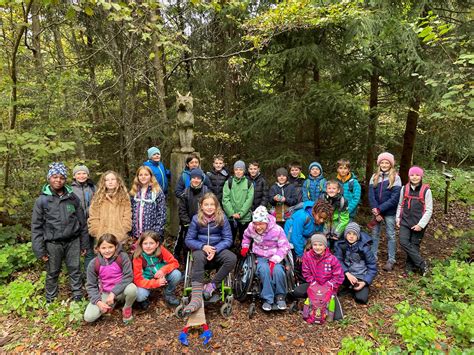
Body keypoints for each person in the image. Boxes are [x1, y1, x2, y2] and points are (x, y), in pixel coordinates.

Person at [32, 162, 89, 302]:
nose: (58, 180)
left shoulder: (72, 198)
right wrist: (39, 250)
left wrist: (84, 244)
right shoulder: (42, 200)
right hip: (53, 243)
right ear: (49, 178)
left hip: (73, 241)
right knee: (52, 271)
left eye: (62, 177)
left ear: (65, 179)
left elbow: (82, 223)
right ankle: (50, 299)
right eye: (55, 177)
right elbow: (36, 226)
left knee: (75, 269)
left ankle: (77, 297)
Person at [184, 193, 237, 314]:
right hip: (201, 251)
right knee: (197, 256)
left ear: (216, 206)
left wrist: (215, 249)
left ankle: (211, 286)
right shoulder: (196, 219)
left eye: (212, 204)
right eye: (206, 204)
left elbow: (228, 239)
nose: (209, 207)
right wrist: (203, 246)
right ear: (201, 206)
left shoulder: (222, 218)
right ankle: (196, 297)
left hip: (217, 250)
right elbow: (189, 240)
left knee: (232, 258)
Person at [241, 206, 291, 311]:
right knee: (264, 270)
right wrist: (245, 247)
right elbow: (246, 237)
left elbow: (285, 246)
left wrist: (276, 258)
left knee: (278, 271)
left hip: (275, 256)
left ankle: (280, 296)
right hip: (259, 256)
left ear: (266, 222)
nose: (257, 227)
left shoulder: (277, 230)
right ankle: (267, 299)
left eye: (260, 224)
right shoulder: (251, 227)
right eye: (255, 223)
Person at [84, 233, 137, 323]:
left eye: (110, 247)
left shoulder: (123, 257)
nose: (107, 251)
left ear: (116, 247)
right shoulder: (94, 263)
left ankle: (127, 307)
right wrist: (98, 302)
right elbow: (91, 285)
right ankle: (111, 304)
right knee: (89, 317)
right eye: (103, 248)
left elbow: (128, 276)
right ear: (98, 249)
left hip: (121, 291)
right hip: (105, 293)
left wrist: (113, 293)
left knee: (132, 289)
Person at [292, 234, 344, 319]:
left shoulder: (332, 259)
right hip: (314, 284)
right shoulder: (307, 256)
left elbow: (339, 276)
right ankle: (312, 301)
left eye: (320, 245)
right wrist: (313, 283)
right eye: (315, 245)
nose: (317, 247)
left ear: (325, 246)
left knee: (337, 317)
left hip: (328, 286)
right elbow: (306, 272)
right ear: (312, 245)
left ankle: (328, 301)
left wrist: (330, 284)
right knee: (297, 291)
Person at [396, 166, 432, 276]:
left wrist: (421, 225)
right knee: (404, 242)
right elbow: (400, 204)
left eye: (417, 175)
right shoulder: (404, 188)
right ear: (409, 176)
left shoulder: (426, 190)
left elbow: (429, 210)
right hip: (405, 221)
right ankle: (422, 264)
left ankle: (409, 268)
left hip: (419, 223)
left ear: (421, 176)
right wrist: (398, 218)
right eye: (412, 175)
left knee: (414, 244)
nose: (414, 177)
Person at [368, 152, 402, 271]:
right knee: (375, 234)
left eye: (387, 162)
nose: (384, 164)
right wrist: (375, 210)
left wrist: (380, 209)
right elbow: (371, 195)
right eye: (382, 162)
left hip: (389, 213)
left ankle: (391, 259)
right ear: (379, 164)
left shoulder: (396, 178)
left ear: (391, 164)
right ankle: (373, 256)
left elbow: (395, 198)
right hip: (376, 211)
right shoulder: (374, 177)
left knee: (390, 235)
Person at [133, 231, 182, 308]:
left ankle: (168, 293)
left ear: (157, 244)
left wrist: (163, 270)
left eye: (151, 243)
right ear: (141, 245)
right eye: (145, 243)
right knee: (140, 295)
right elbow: (138, 280)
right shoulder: (138, 257)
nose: (148, 246)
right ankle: (145, 298)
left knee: (176, 274)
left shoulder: (161, 250)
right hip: (146, 280)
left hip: (161, 275)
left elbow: (175, 263)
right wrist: (156, 283)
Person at [334, 223, 377, 304]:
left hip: (360, 276)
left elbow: (372, 267)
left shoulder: (365, 248)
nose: (351, 236)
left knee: (361, 299)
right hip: (346, 275)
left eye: (354, 234)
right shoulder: (340, 245)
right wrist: (347, 273)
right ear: (345, 234)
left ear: (358, 235)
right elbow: (338, 260)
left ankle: (357, 287)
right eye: (349, 233)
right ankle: (348, 286)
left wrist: (365, 282)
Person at [88, 171, 132, 244]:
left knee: (120, 255)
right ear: (103, 182)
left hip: (120, 238)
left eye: (113, 179)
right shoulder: (97, 198)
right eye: (107, 180)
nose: (110, 182)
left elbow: (127, 216)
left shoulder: (124, 197)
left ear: (117, 181)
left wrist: (122, 231)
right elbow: (93, 217)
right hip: (102, 239)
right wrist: (98, 233)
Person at [176, 168, 209, 261]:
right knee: (187, 243)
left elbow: (211, 207)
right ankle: (186, 261)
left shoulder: (206, 191)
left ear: (201, 180)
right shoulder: (185, 192)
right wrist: (187, 223)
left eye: (198, 178)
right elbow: (182, 210)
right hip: (189, 224)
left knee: (202, 242)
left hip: (203, 223)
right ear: (190, 179)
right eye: (193, 178)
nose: (196, 180)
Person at [130, 166, 166, 242]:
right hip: (136, 233)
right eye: (141, 175)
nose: (143, 177)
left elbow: (162, 214)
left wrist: (157, 232)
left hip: (152, 233)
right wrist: (131, 230)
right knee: (138, 253)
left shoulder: (157, 192)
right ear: (137, 177)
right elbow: (131, 212)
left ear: (150, 176)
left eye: (146, 175)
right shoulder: (134, 192)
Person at [222, 160, 255, 245]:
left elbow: (249, 200)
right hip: (231, 218)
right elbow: (225, 199)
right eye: (236, 169)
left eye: (240, 169)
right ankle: (230, 256)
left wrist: (241, 213)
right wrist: (232, 213)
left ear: (244, 170)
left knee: (244, 240)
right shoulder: (228, 182)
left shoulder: (248, 183)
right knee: (229, 239)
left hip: (244, 218)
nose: (238, 172)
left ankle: (244, 256)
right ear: (234, 170)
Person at [71, 164, 96, 269]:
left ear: (88, 175)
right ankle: (77, 274)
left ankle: (89, 275)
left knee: (90, 250)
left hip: (91, 223)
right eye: (79, 173)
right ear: (74, 176)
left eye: (84, 173)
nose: (81, 176)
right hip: (76, 224)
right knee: (76, 251)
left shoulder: (93, 188)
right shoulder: (70, 189)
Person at [320, 180, 350, 249]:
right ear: (326, 190)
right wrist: (325, 231)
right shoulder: (323, 199)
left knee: (336, 246)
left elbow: (344, 219)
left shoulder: (343, 201)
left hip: (337, 226)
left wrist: (337, 233)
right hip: (325, 226)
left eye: (334, 188)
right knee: (326, 245)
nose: (331, 190)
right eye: (329, 188)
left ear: (338, 190)